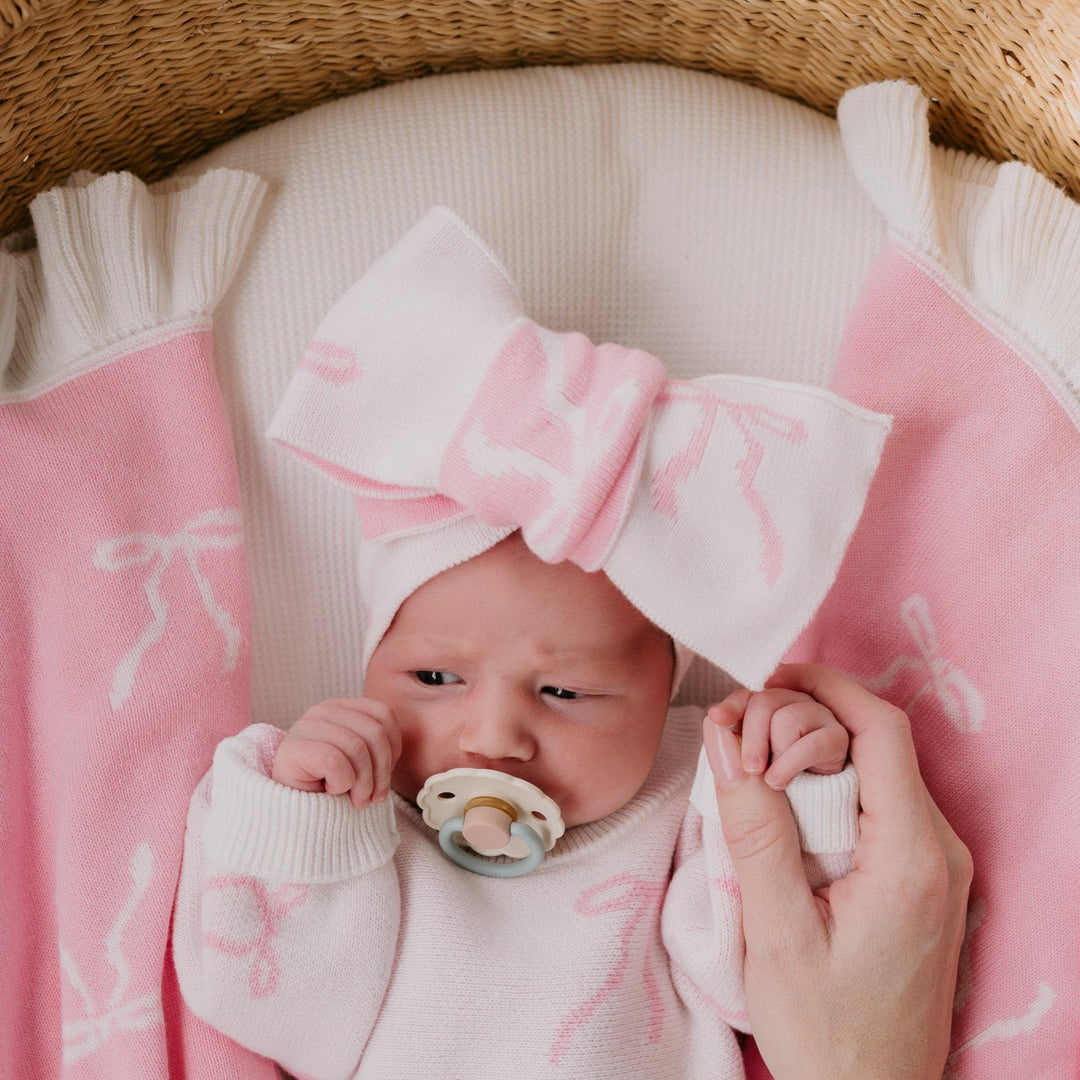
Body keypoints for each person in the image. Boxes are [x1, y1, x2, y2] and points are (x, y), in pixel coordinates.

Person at [172, 208, 971, 1079]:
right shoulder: (360, 818)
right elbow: (270, 1005)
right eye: (434, 675)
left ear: (669, 689)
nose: (493, 735)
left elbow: (774, 981)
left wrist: (802, 789)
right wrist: (303, 820)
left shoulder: (685, 798)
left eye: (566, 694)